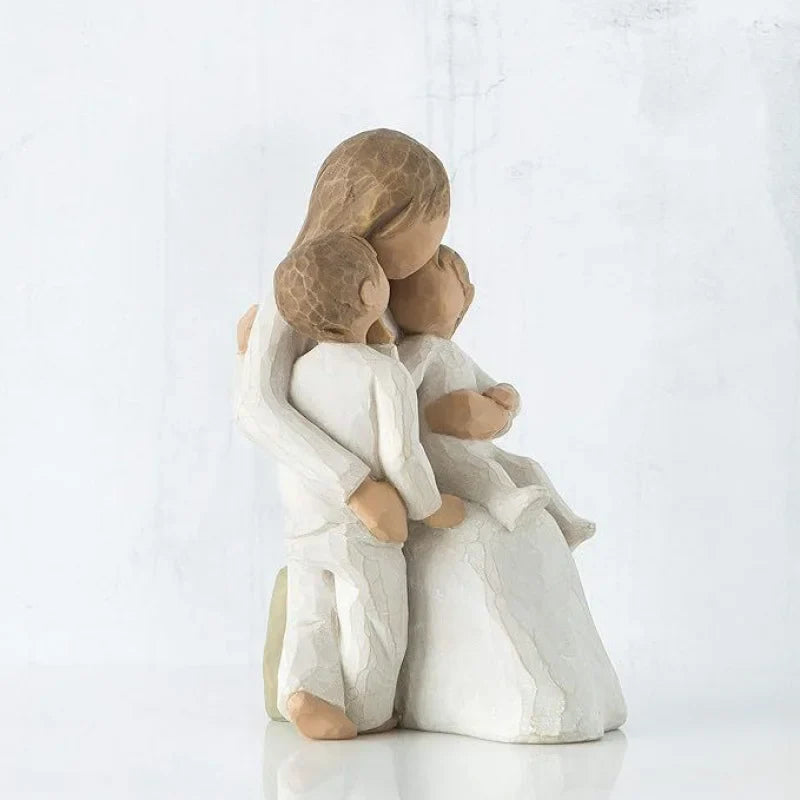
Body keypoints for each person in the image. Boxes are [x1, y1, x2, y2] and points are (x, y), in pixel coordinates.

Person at [271, 232, 462, 739]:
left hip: (305, 522)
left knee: (310, 614)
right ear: (368, 293)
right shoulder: (384, 374)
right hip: (363, 530)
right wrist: (430, 506)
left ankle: (303, 692)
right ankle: (369, 710)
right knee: (373, 617)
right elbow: (402, 456)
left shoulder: (296, 373)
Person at [392, 245, 596, 546]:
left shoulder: (455, 354)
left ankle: (567, 524)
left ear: (466, 298)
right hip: (440, 450)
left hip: (476, 445)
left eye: (437, 272)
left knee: (527, 467)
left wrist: (507, 397)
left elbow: (487, 384)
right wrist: (437, 414)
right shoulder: (420, 351)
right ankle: (506, 504)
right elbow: (397, 387)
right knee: (484, 472)